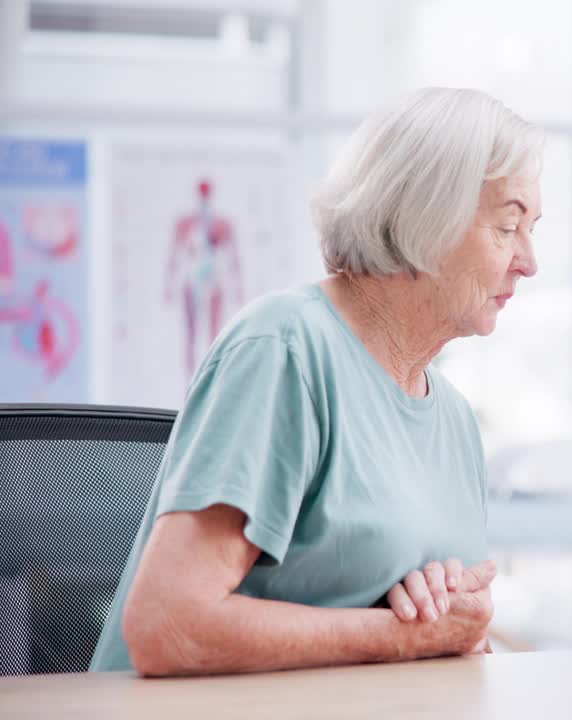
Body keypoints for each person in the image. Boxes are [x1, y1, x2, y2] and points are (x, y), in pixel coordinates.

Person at [90, 87, 543, 675]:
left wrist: (461, 622)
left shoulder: (454, 418)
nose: (530, 262)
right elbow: (167, 625)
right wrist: (399, 636)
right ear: (426, 220)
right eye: (508, 228)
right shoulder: (284, 350)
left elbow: (435, 629)